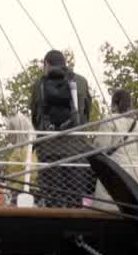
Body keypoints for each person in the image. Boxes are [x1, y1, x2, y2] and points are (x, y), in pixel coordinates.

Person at [30, 49, 93, 207]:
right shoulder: (81, 82)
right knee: (75, 200)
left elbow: (35, 116)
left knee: (52, 200)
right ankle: (77, 230)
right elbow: (86, 113)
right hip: (76, 150)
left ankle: (53, 228)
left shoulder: (38, 85)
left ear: (46, 64)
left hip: (48, 151)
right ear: (65, 63)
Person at [92, 89, 138, 210]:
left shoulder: (109, 120)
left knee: (107, 208)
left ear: (114, 104)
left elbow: (101, 148)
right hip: (133, 177)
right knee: (131, 210)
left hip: (112, 172)